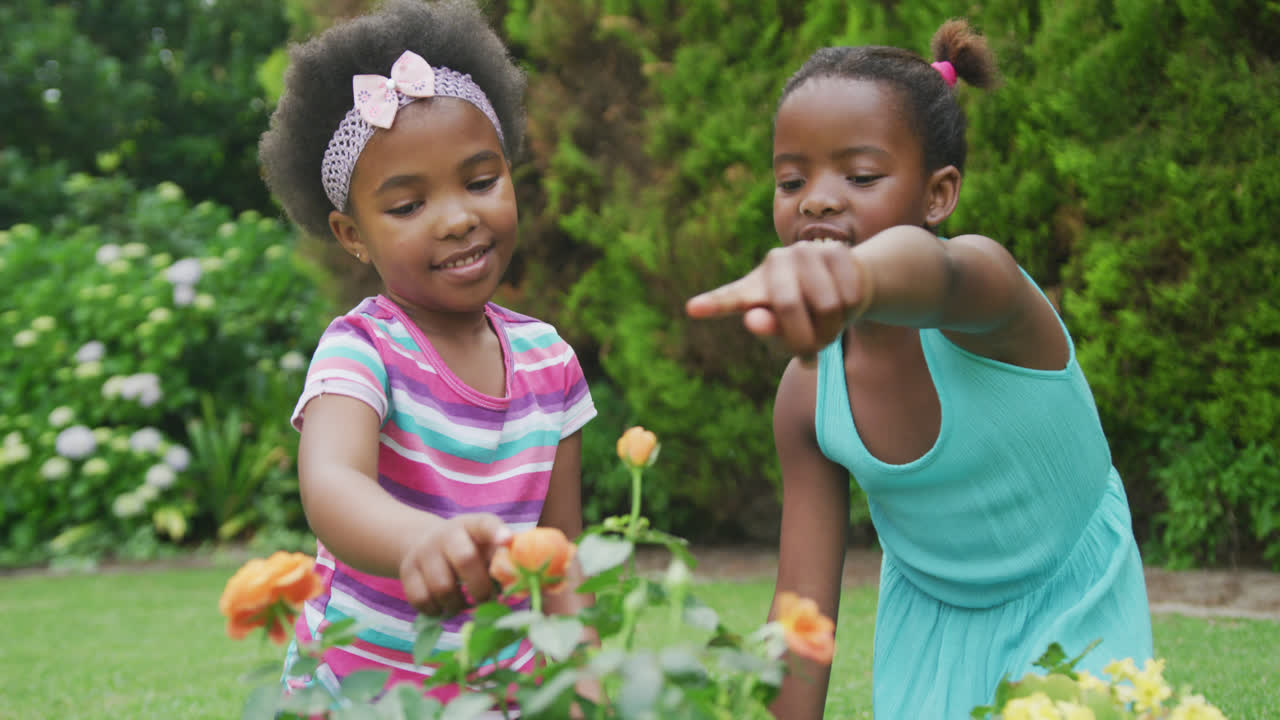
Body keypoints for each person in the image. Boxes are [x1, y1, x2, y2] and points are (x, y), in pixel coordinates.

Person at [686, 19, 1154, 719]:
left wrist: (851, 277)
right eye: (792, 179)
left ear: (939, 195)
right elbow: (803, 622)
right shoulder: (808, 395)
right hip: (930, 627)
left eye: (861, 175)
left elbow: (927, 268)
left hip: (1072, 600)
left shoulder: (989, 293)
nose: (816, 198)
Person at [257, 0, 596, 709]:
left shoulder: (549, 360)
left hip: (500, 688)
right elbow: (331, 485)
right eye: (407, 206)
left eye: (479, 181)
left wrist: (583, 678)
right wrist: (418, 540)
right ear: (352, 235)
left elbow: (558, 554)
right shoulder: (362, 350)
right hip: (361, 688)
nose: (457, 217)